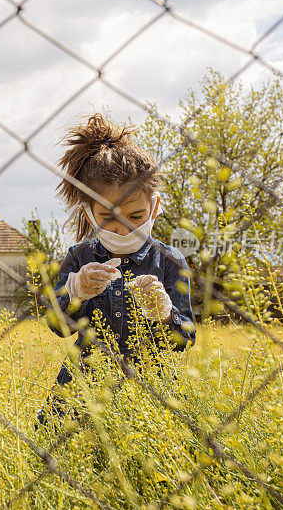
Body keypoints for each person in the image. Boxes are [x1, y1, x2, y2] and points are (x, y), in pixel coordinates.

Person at [36, 113, 196, 427]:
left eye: (136, 216)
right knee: (55, 439)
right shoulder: (79, 256)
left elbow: (185, 339)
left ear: (155, 207)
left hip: (152, 383)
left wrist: (165, 313)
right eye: (108, 218)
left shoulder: (170, 259)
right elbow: (58, 325)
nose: (123, 229)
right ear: (90, 214)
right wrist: (74, 292)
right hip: (85, 379)